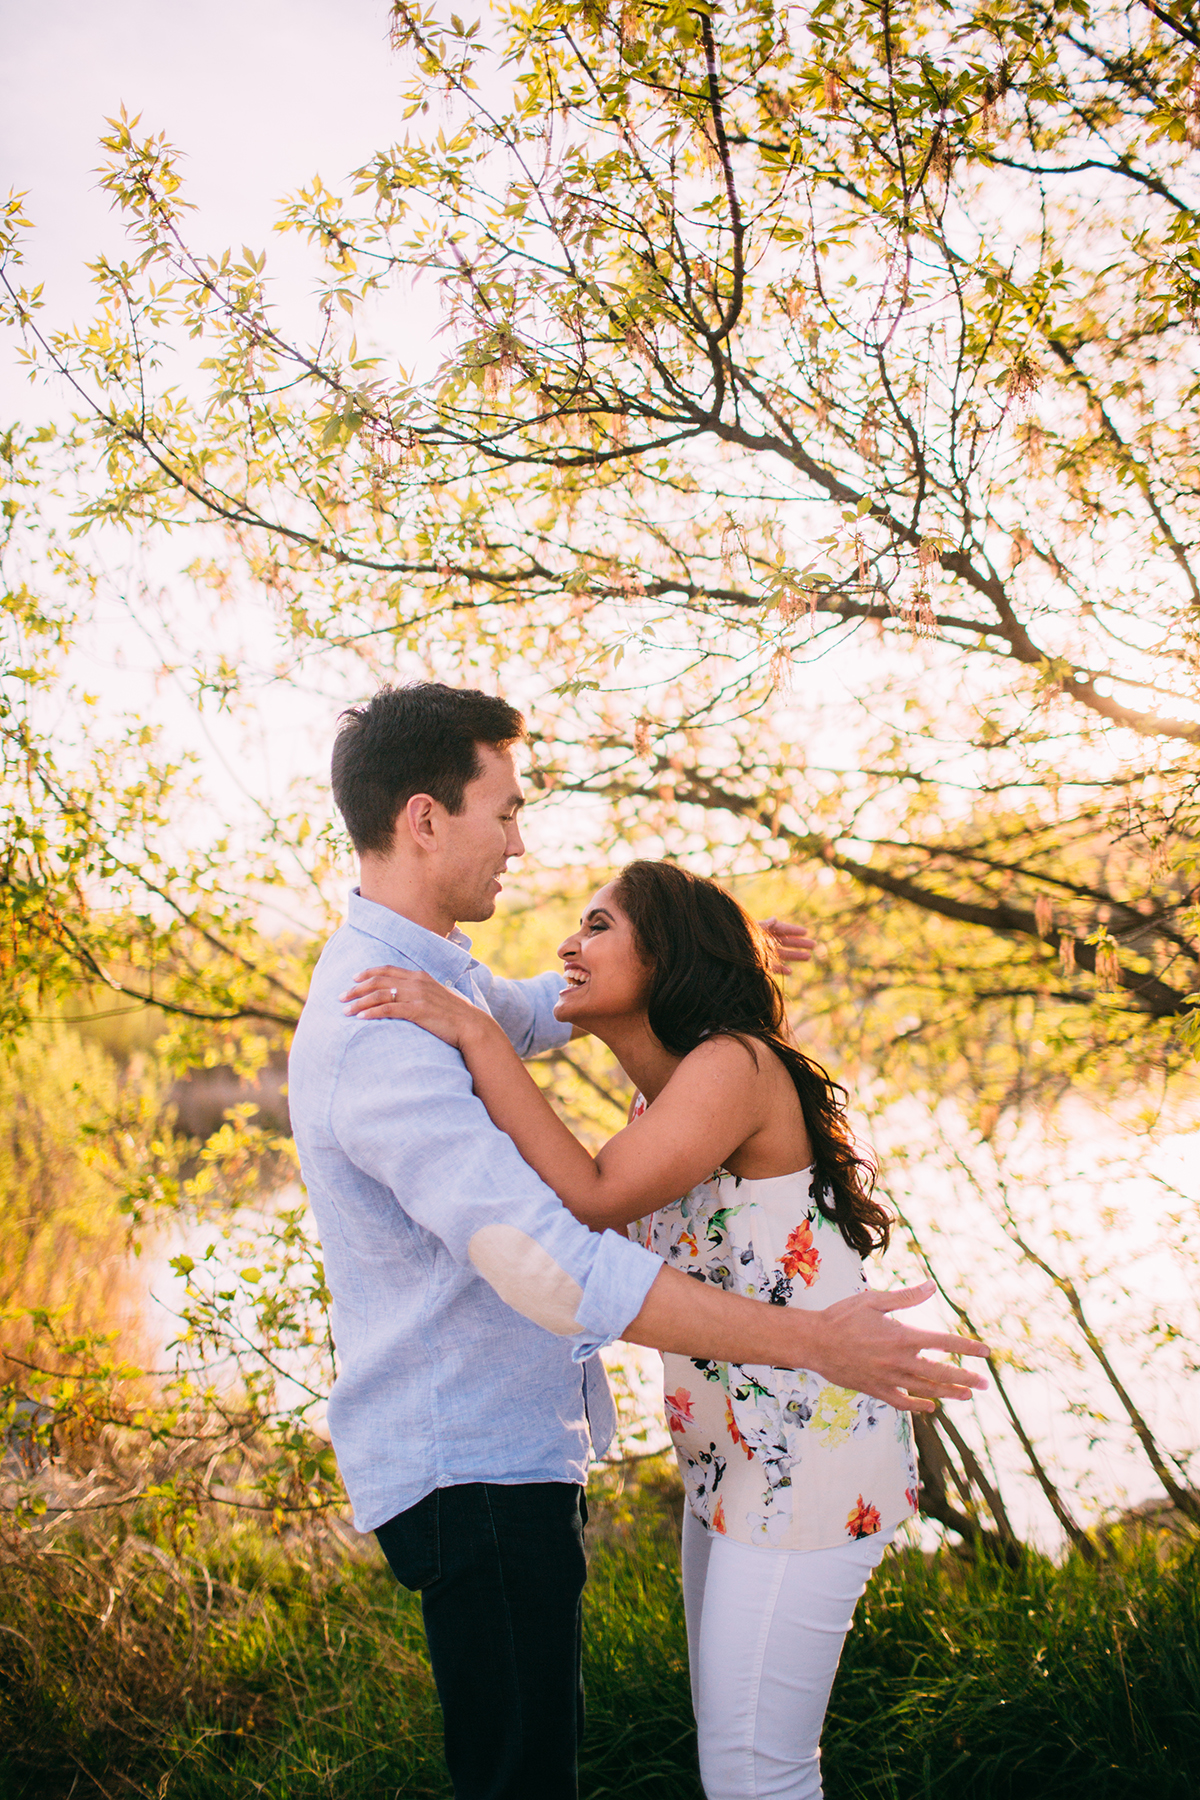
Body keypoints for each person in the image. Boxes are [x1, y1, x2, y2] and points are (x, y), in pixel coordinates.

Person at [289, 681, 988, 1800]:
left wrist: (713, 943)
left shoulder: (435, 983)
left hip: (559, 1459)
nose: (521, 843)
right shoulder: (387, 1024)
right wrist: (812, 1344)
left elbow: (534, 1009)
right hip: (470, 1470)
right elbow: (551, 1259)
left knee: (697, 1768)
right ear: (425, 818)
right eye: (504, 811)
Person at [345, 859, 920, 1800]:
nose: (568, 946)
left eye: (598, 926)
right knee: (735, 1761)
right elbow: (569, 1219)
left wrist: (471, 1030)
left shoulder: (732, 1067)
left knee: (755, 1776)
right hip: (735, 1457)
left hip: (809, 1450)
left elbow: (592, 1193)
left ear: (665, 959)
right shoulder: (668, 1098)